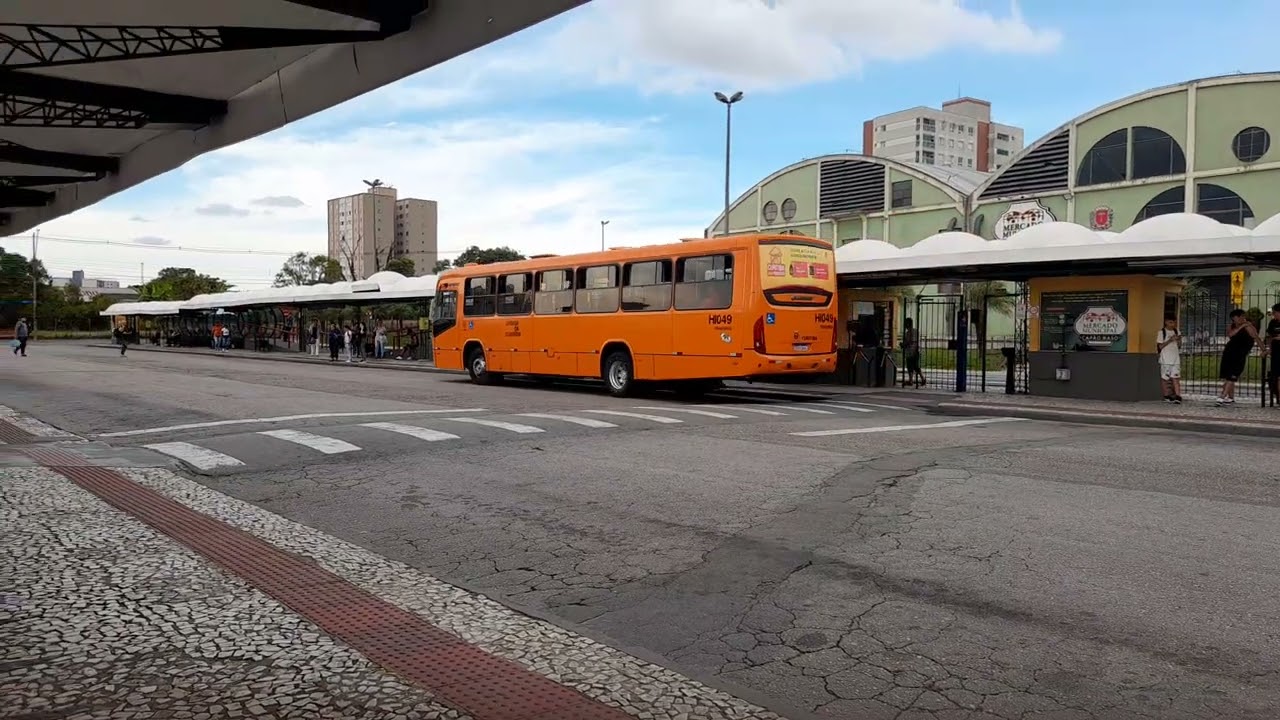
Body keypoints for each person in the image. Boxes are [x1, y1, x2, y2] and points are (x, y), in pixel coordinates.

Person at [1217, 308, 1266, 405]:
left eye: (1242, 316)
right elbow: (1231, 334)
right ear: (1233, 318)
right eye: (1238, 317)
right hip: (1229, 352)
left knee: (1233, 375)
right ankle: (1230, 397)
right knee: (1228, 376)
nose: (1241, 319)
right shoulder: (1231, 326)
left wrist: (1263, 349)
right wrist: (1241, 326)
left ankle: (1222, 395)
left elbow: (1256, 338)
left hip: (1240, 354)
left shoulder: (1249, 327)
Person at [1156, 315, 1182, 404]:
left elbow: (1179, 346)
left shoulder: (1177, 331)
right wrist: (1170, 340)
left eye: (1174, 322)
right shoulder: (1161, 332)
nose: (1173, 324)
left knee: (1176, 377)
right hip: (1165, 359)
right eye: (1171, 322)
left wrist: (1178, 340)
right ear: (1166, 322)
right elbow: (1160, 346)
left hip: (1175, 359)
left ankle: (1178, 396)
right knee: (1165, 378)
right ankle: (1166, 395)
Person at [901, 317, 925, 388]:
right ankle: (918, 379)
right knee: (913, 366)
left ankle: (914, 380)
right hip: (913, 351)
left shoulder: (910, 332)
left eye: (906, 323)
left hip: (911, 351)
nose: (905, 325)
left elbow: (910, 341)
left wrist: (904, 344)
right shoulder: (914, 331)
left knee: (912, 366)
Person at [1267, 304, 1280, 404]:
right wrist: (1269, 349)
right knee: (1277, 375)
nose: (1274, 315)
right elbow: (1270, 337)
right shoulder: (1273, 323)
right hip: (1276, 352)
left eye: (1275, 312)